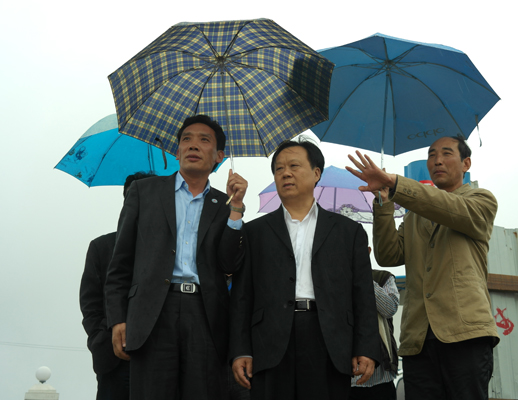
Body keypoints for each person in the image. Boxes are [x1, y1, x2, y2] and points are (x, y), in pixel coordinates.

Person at [104, 114, 248, 400]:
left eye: (204, 140)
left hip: (206, 315)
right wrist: (118, 318)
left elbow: (230, 264)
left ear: (219, 156)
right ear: (178, 150)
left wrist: (237, 209)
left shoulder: (224, 204)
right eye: (186, 139)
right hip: (152, 314)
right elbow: (120, 263)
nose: (193, 145)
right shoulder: (144, 192)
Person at [347, 136, 500, 400]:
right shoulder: (414, 215)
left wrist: (394, 182)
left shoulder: (481, 200)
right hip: (417, 339)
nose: (437, 160)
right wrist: (384, 202)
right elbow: (388, 254)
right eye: (431, 155)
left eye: (446, 153)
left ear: (466, 163)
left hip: (465, 334)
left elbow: (447, 207)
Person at [229, 138, 381, 400]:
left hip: (329, 339)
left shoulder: (348, 231)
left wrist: (366, 347)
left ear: (316, 173)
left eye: (294, 166)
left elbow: (363, 295)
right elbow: (242, 296)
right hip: (269, 341)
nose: (285, 173)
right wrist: (241, 350)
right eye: (279, 168)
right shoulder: (254, 232)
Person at [80, 172, 156, 400]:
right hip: (113, 358)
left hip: (160, 357)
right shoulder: (101, 246)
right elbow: (90, 303)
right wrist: (100, 337)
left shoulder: (172, 248)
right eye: (134, 197)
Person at [350, 260, 399, 400]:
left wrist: (363, 277)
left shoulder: (383, 278)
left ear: (368, 251)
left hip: (381, 379)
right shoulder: (333, 278)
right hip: (344, 380)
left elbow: (389, 309)